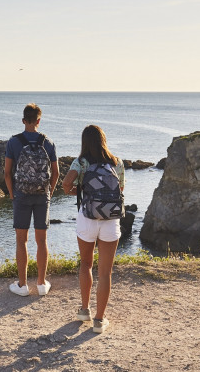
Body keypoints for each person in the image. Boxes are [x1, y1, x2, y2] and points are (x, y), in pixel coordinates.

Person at [61, 124, 124, 333]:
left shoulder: (80, 162)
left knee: (86, 264)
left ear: (84, 142)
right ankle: (99, 320)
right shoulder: (117, 163)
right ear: (103, 140)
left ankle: (84, 310)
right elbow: (120, 189)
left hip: (87, 218)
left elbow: (66, 184)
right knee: (105, 271)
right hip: (110, 220)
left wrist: (80, 193)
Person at [4, 103, 59, 297]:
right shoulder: (48, 143)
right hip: (42, 195)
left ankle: (22, 285)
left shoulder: (14, 142)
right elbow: (56, 173)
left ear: (23, 120)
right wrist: (49, 193)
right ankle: (42, 284)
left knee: (22, 240)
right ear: (38, 120)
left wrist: (12, 194)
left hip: (21, 194)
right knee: (41, 240)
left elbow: (7, 173)